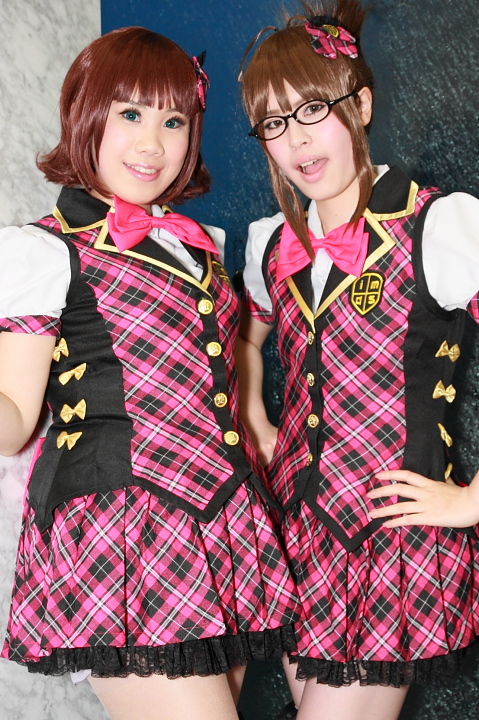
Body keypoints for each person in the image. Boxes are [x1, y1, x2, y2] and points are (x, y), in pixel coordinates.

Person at [0, 27, 302, 720]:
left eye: (173, 121)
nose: (152, 143)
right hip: (120, 525)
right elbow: (13, 419)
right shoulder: (44, 252)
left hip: (218, 520)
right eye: (130, 113)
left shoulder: (195, 248)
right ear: (85, 113)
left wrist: (259, 427)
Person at [236, 1, 479, 719]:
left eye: (313, 110)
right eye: (273, 123)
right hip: (294, 537)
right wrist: (256, 419)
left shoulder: (439, 223)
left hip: (390, 542)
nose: (296, 140)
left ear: (361, 105)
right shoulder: (270, 244)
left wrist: (469, 502)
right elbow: (243, 339)